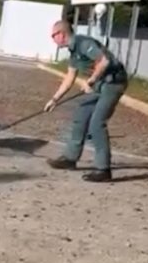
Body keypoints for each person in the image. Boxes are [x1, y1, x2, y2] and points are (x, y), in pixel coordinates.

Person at [43, 19, 128, 182]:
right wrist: (54, 99)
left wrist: (91, 80)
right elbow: (69, 77)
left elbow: (104, 61)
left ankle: (103, 170)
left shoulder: (83, 43)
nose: (52, 39)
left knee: (97, 124)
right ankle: (70, 158)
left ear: (61, 34)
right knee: (81, 116)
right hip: (99, 84)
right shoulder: (73, 52)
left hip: (113, 83)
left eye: (53, 35)